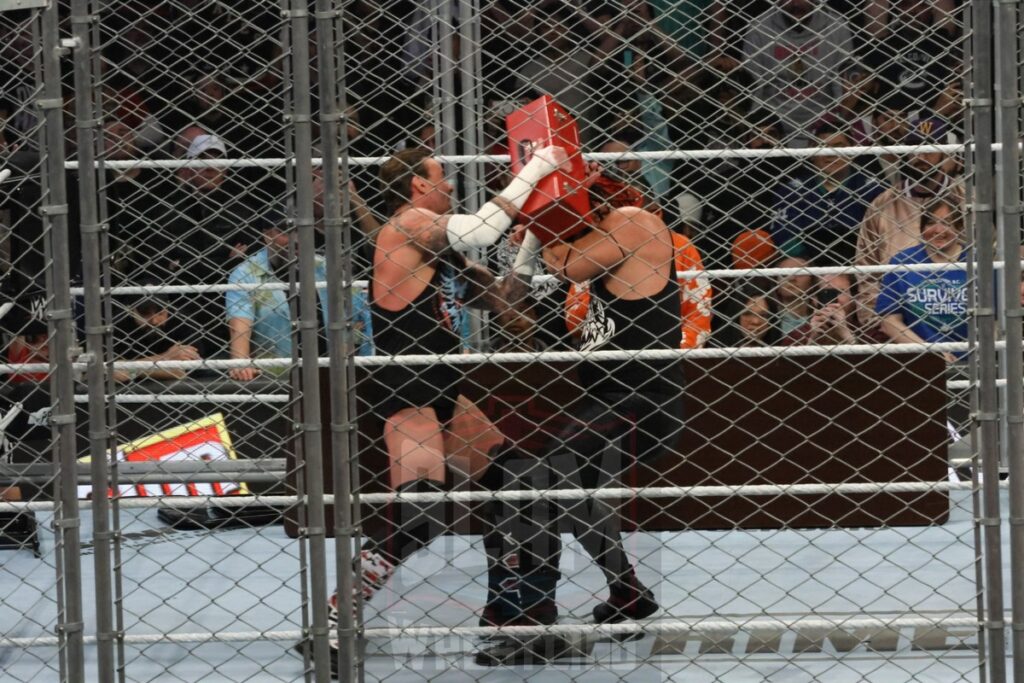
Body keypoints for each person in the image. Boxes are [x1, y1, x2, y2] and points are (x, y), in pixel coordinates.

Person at [309, 144, 568, 673]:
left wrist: (534, 234)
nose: (449, 185)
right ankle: (336, 618)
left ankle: (513, 615)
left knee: (519, 482)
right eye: (440, 178)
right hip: (408, 388)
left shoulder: (439, 246)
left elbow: (506, 302)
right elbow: (478, 229)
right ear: (416, 186)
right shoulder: (405, 226)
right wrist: (534, 170)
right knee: (420, 513)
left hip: (447, 383)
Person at [476, 171, 686, 665]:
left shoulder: (635, 221)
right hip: (605, 404)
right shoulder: (594, 248)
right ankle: (627, 595)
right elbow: (517, 306)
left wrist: (533, 224)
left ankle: (527, 619)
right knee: (530, 474)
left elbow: (568, 264)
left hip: (641, 402)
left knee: (536, 477)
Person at [854, 116, 962, 330]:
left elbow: (990, 255)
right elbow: (866, 266)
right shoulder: (883, 203)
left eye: (929, 149)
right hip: (896, 312)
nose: (920, 156)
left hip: (958, 305)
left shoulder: (969, 201)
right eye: (914, 147)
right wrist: (879, 319)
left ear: (943, 153)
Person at [225, 208, 333, 381]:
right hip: (276, 376)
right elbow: (239, 324)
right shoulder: (246, 273)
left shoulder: (326, 268)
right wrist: (240, 360)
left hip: (331, 369)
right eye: (285, 231)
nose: (296, 239)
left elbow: (356, 317)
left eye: (301, 230)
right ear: (267, 235)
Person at [876, 197, 966, 363]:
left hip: (976, 358)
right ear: (921, 228)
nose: (939, 230)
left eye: (947, 222)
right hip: (921, 359)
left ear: (959, 227)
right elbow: (889, 320)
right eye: (931, 223)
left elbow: (996, 319)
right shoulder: (903, 262)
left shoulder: (978, 260)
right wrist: (930, 353)